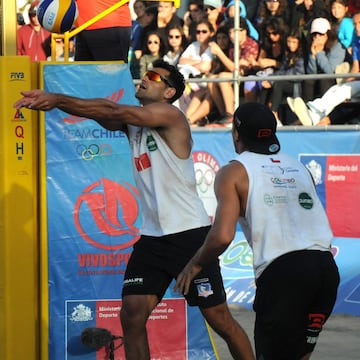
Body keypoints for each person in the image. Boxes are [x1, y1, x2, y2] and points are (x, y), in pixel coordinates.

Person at [13, 59, 255, 360]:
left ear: (169, 93)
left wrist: (58, 97)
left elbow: (114, 110)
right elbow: (103, 111)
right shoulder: (134, 123)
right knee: (131, 315)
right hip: (153, 238)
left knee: (220, 319)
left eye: (154, 76)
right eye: (145, 74)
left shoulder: (171, 115)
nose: (145, 78)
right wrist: (56, 103)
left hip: (189, 235)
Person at [175, 102, 340, 360]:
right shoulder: (300, 167)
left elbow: (222, 236)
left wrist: (194, 265)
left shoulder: (233, 171)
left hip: (284, 273)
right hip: (326, 269)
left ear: (236, 134)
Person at [302, 17, 346, 101]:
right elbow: (311, 73)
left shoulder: (337, 46)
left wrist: (319, 53)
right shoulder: (313, 46)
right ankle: (307, 107)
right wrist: (313, 56)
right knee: (308, 79)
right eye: (314, 35)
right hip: (319, 77)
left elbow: (329, 71)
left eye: (321, 34)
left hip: (335, 79)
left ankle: (325, 111)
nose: (317, 37)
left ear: (328, 34)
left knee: (324, 79)